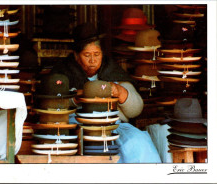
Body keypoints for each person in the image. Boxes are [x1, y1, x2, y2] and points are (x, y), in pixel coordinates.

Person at [51, 23, 161, 163]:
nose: (93, 60)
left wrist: (120, 92)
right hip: (79, 125)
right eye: (87, 55)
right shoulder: (63, 72)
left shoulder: (111, 70)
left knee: (137, 143)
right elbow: (52, 103)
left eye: (97, 54)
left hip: (114, 125)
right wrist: (76, 97)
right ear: (76, 56)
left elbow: (135, 110)